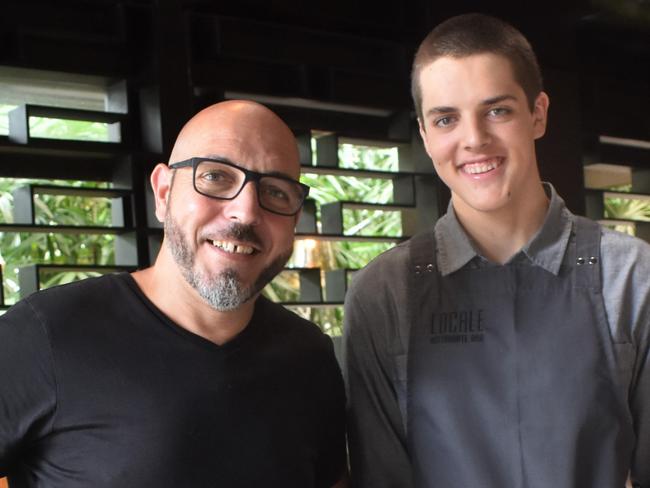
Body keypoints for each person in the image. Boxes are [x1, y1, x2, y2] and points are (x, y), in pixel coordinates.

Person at [343, 13, 649, 488]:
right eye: (446, 119)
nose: (474, 140)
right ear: (424, 135)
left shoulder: (632, 276)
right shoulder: (383, 295)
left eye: (497, 110)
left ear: (538, 113)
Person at [0, 100, 348, 487]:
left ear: (295, 219)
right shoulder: (47, 333)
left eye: (277, 192)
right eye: (216, 177)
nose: (246, 212)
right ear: (163, 192)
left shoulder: (309, 354)